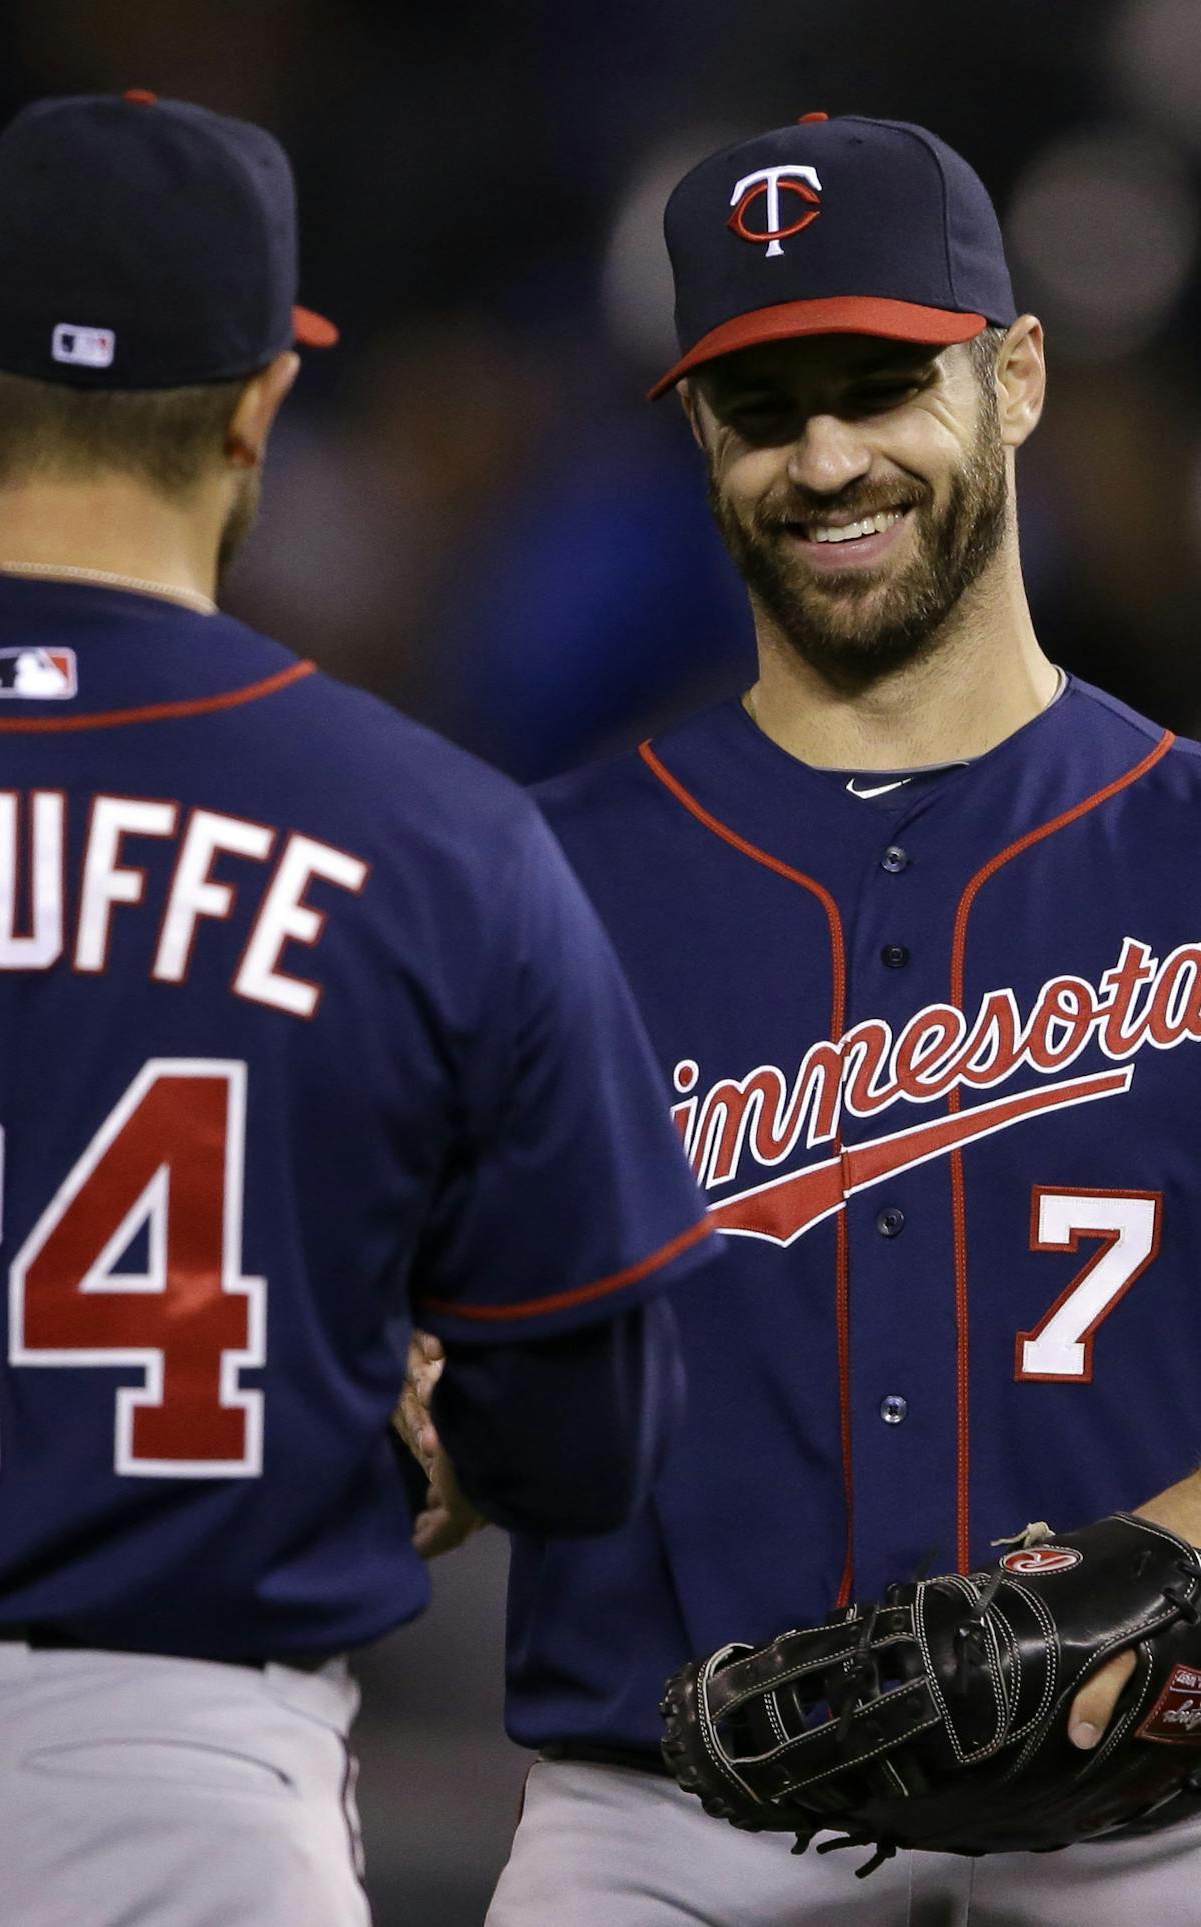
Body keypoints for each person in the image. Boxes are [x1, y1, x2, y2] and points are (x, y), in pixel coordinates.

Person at [0, 93, 713, 1927]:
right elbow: (591, 1438)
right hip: (179, 1783)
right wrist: (431, 1430)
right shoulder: (433, 830)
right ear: (261, 402)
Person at [422, 111, 1201, 1924]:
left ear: (1014, 377)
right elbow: (422, 1402)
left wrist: (1162, 1560)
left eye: (880, 382)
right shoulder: (531, 881)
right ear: (700, 433)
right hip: (666, 1829)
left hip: (1149, 1831)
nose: (828, 456)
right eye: (765, 407)